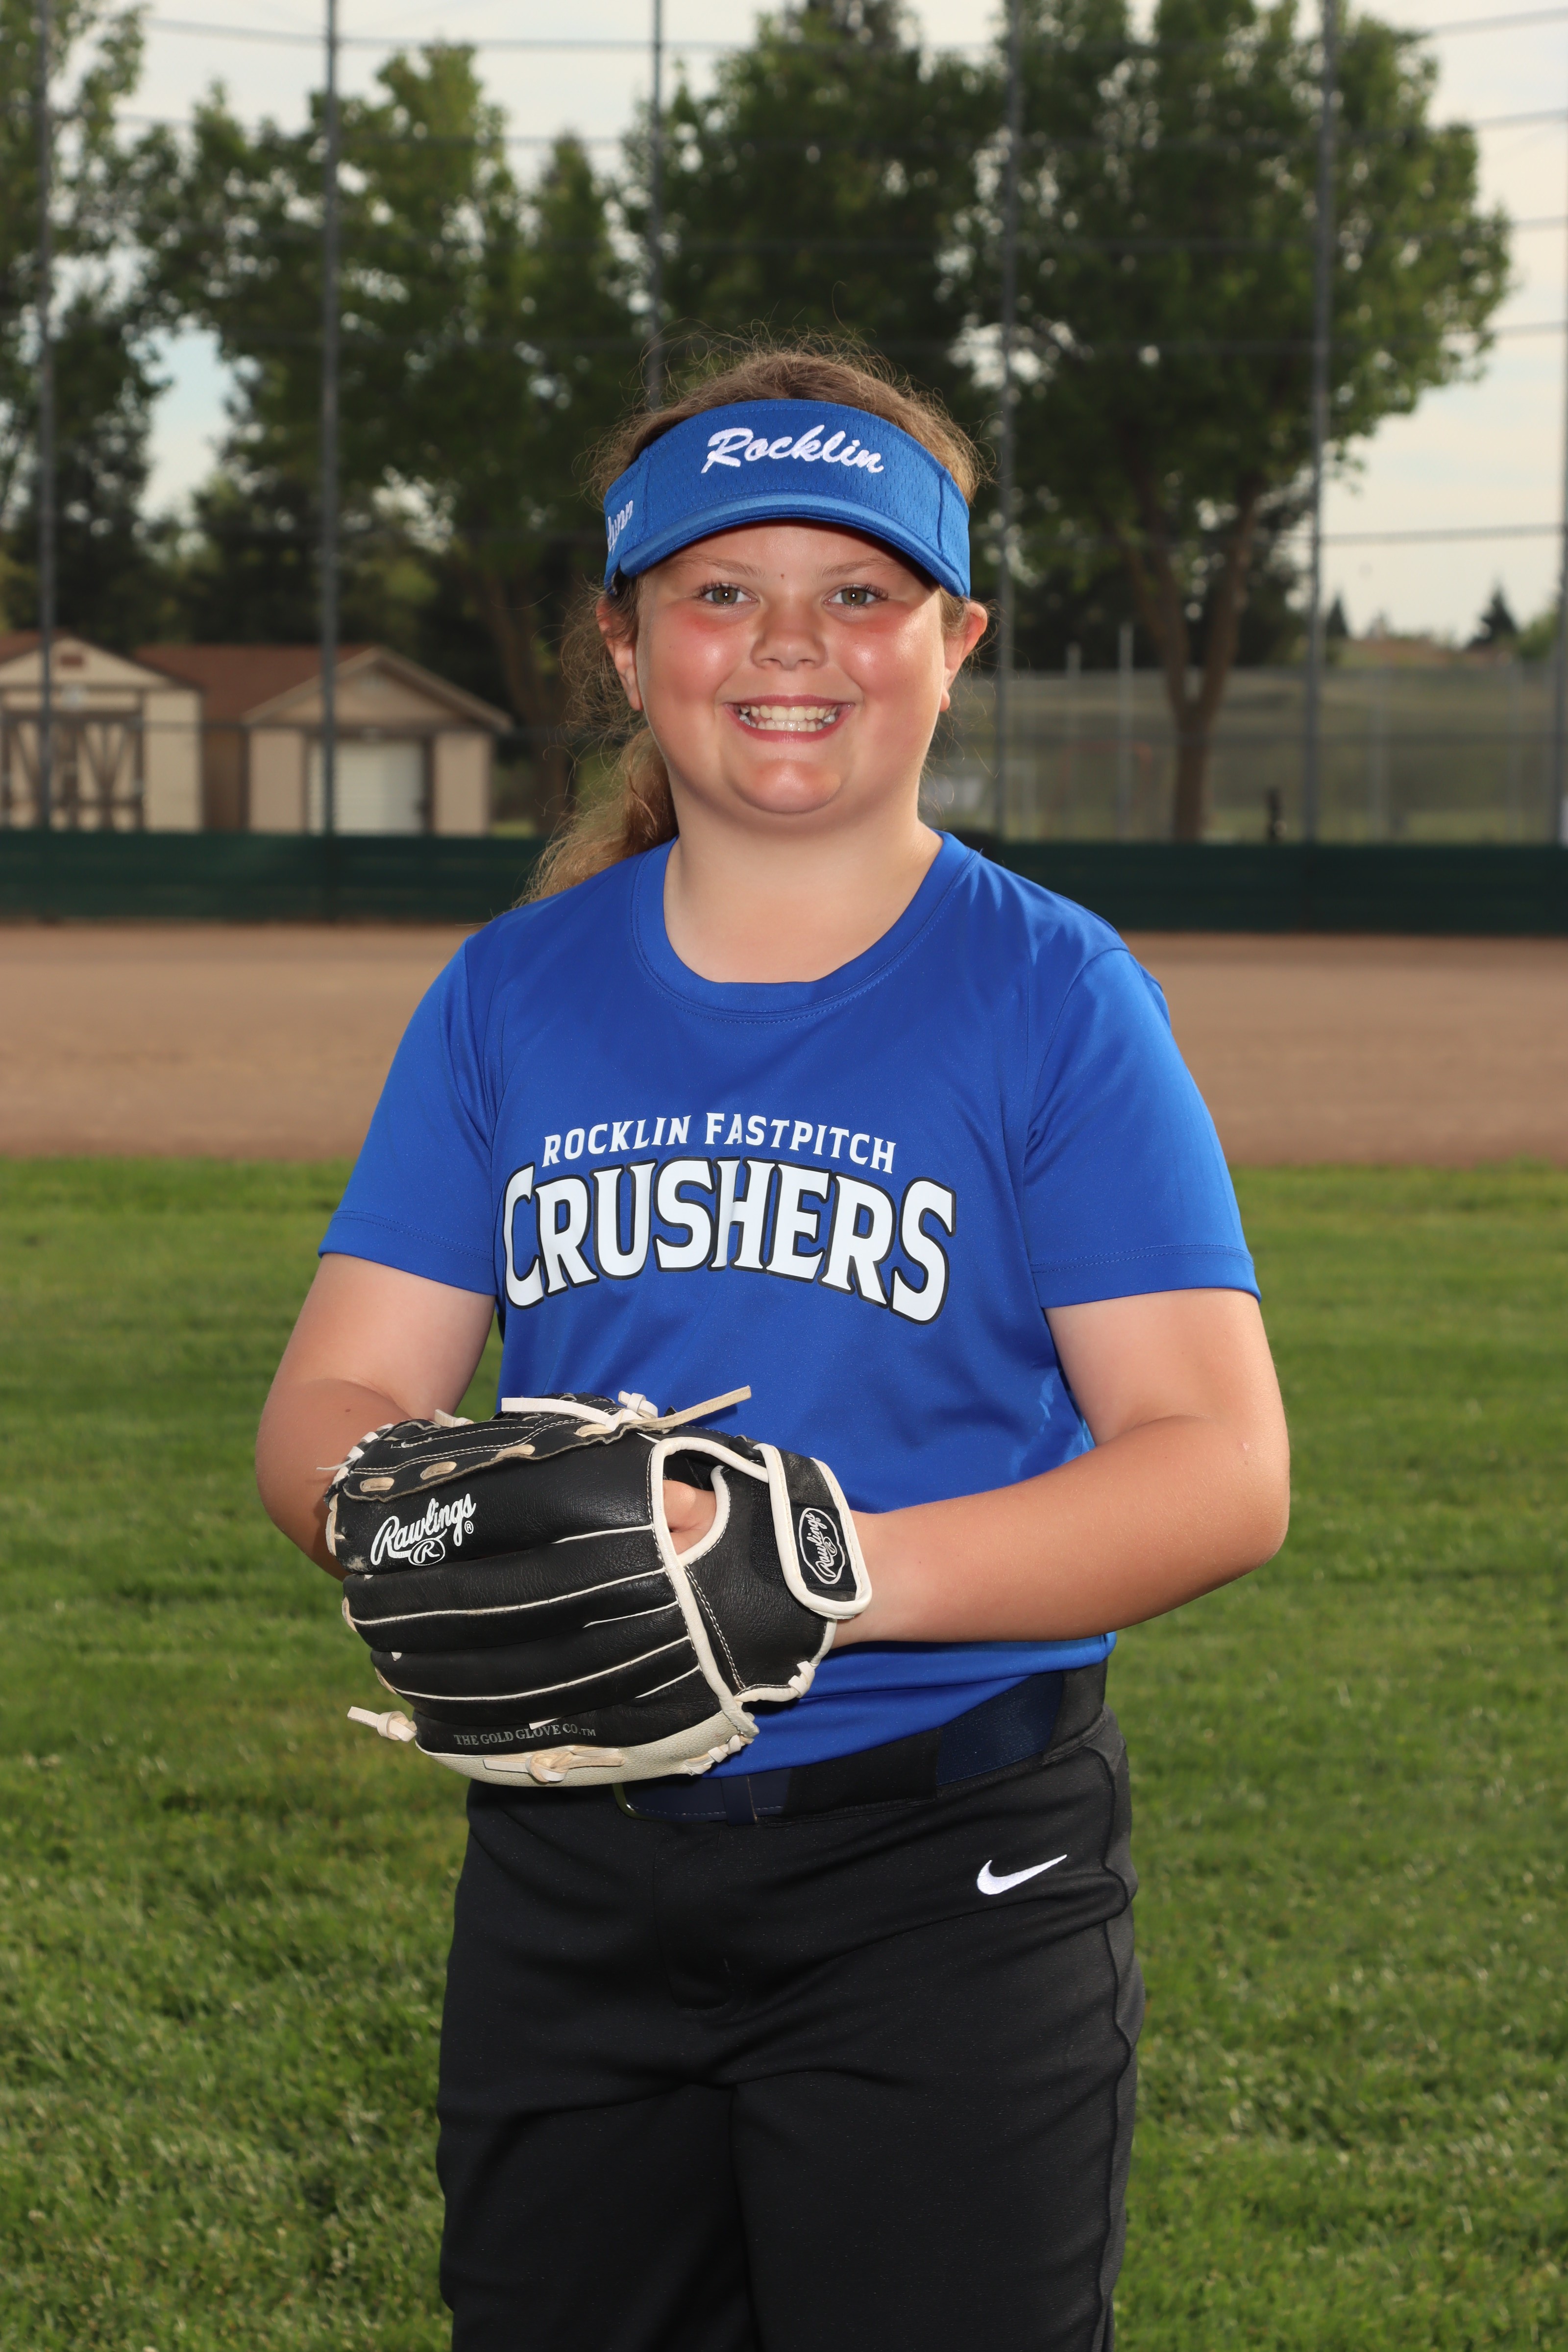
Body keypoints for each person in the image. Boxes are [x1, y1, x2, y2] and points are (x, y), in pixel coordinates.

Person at [256, 343, 1290, 2352]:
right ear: (625, 644)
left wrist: (800, 1570)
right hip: (572, 1860)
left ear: (954, 642)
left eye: (858, 590)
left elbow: (1218, 1467)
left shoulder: (1050, 998)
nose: (788, 643)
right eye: (721, 589)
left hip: (945, 1878)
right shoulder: (510, 996)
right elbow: (333, 1402)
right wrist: (422, 1522)